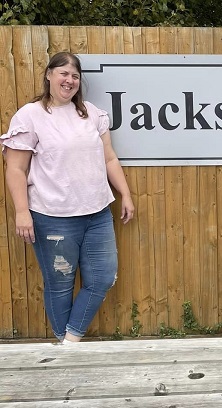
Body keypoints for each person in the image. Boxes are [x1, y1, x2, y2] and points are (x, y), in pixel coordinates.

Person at [1, 52, 134, 344]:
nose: (69, 80)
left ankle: (68, 343)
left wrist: (124, 193)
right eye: (63, 73)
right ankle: (67, 346)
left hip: (97, 213)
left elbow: (109, 158)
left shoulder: (92, 114)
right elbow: (15, 168)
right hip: (52, 217)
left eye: (75, 76)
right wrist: (21, 212)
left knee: (102, 278)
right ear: (49, 75)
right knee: (60, 285)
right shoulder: (30, 116)